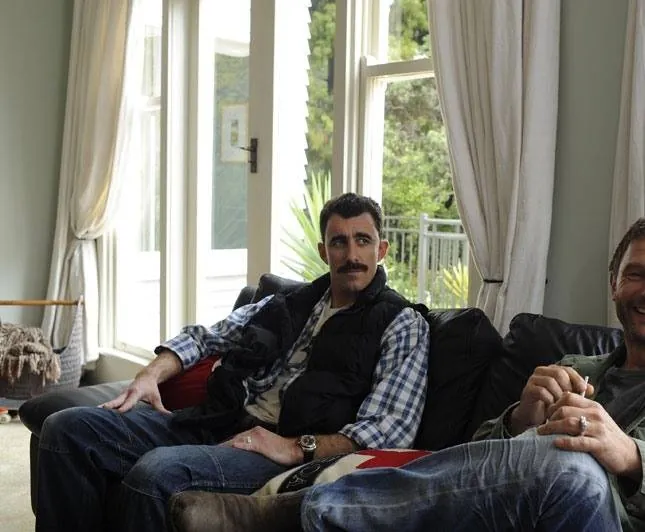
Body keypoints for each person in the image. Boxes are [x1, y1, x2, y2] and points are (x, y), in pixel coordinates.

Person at [188, 218, 645, 532]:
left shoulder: (395, 321)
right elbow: (475, 456)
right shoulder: (574, 368)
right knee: (550, 462)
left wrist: (631, 455)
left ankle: (299, 515)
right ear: (614, 284)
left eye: (363, 241)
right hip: (523, 515)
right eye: (635, 274)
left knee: (574, 468)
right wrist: (520, 418)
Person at [35, 193, 430, 532]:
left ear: (381, 250)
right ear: (324, 251)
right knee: (65, 429)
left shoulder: (401, 323)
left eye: (363, 240)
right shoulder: (289, 303)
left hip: (277, 453)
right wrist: (150, 374)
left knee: (156, 474)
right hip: (217, 420)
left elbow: (389, 429)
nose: (352, 254)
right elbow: (207, 336)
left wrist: (294, 447)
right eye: (339, 242)